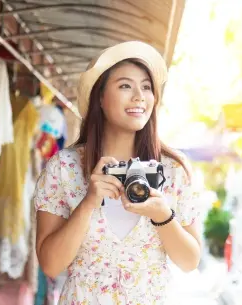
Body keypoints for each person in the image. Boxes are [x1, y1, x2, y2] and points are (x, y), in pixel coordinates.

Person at [34, 41, 202, 304]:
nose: (139, 96)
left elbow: (190, 262)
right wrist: (88, 202)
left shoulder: (173, 170)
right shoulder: (64, 168)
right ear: (100, 97)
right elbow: (50, 266)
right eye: (125, 86)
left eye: (146, 87)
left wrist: (162, 215)